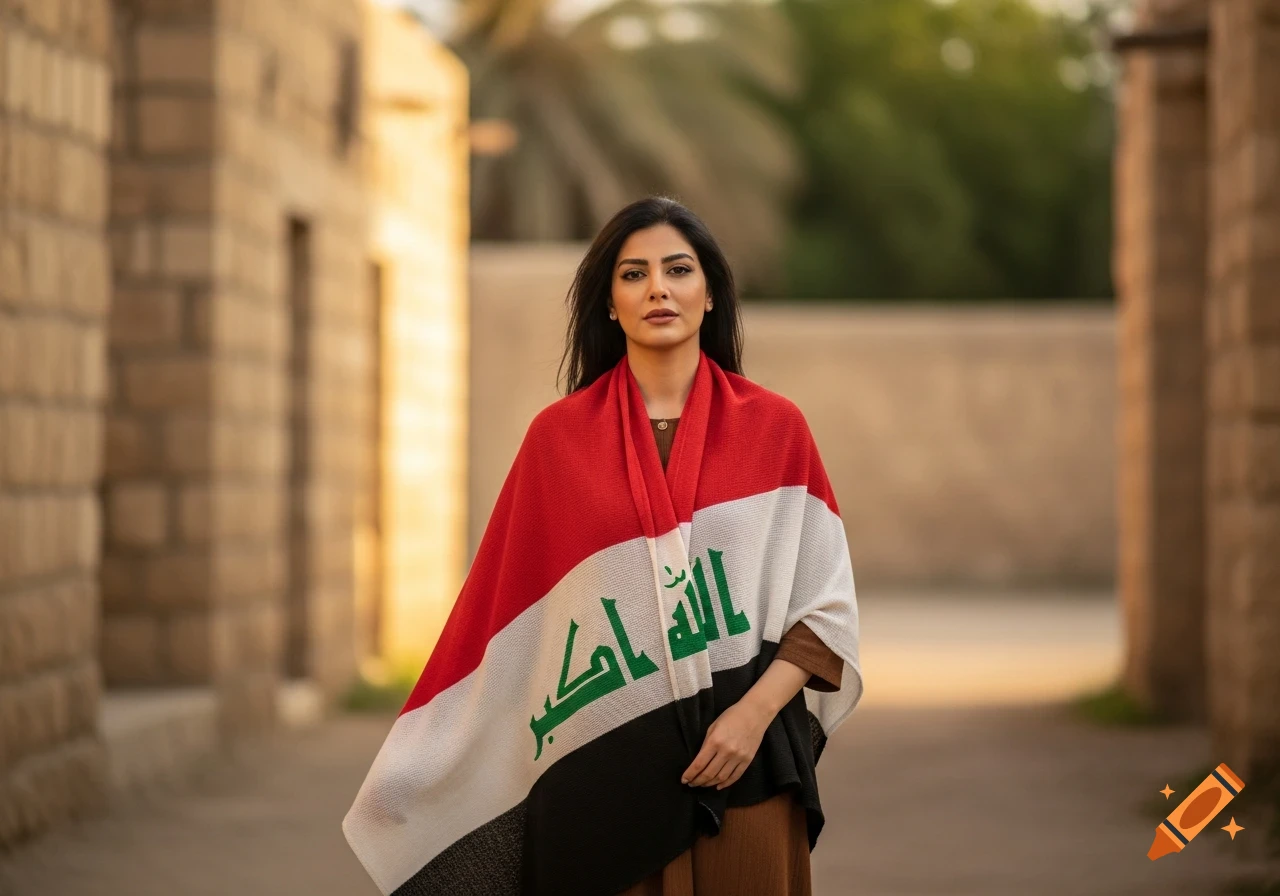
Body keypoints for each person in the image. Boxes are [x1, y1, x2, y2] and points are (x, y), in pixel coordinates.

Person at [343, 197, 863, 896]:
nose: (658, 288)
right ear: (609, 304)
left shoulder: (776, 430)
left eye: (678, 270)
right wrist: (420, 770)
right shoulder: (556, 442)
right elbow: (507, 624)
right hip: (603, 777)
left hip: (748, 767)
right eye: (633, 274)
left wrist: (753, 715)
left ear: (709, 294)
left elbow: (824, 608)